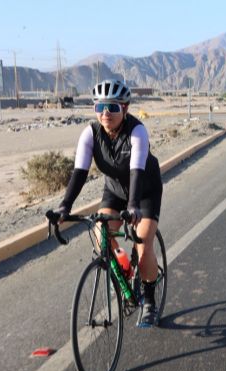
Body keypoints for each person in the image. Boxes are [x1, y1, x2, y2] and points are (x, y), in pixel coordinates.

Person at [56, 79, 163, 328]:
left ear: (125, 109)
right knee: (99, 230)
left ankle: (149, 300)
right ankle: (123, 265)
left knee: (143, 243)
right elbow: (79, 172)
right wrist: (65, 206)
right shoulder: (90, 134)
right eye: (100, 106)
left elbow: (136, 169)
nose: (105, 113)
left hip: (144, 190)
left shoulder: (137, 131)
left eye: (113, 107)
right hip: (114, 190)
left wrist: (134, 206)